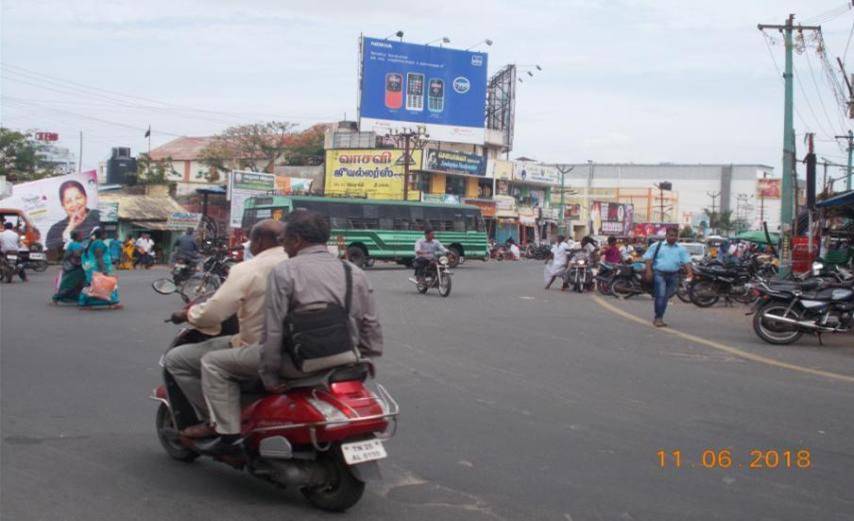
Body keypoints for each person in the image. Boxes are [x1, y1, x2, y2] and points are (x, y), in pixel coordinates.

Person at [194, 210, 382, 451]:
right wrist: (365, 356)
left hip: (298, 361)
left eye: (284, 241)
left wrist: (269, 376)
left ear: (297, 240)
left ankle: (228, 437)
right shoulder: (353, 271)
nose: (283, 247)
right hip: (347, 358)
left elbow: (273, 331)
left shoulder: (285, 272)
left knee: (212, 362)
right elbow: (371, 323)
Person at [164, 219, 288, 438]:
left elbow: (214, 312)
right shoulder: (301, 264)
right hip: (307, 347)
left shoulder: (249, 268)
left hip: (264, 348)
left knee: (181, 359)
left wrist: (187, 314)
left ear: (257, 240)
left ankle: (220, 425)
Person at [643, 227, 692, 327]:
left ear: (677, 237)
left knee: (665, 297)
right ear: (666, 236)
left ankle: (660, 316)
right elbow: (648, 258)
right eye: (670, 235)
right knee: (660, 296)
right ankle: (658, 318)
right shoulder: (657, 246)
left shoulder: (681, 249)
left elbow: (686, 261)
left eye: (675, 235)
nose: (673, 237)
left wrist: (690, 272)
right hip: (659, 274)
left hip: (674, 275)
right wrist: (648, 271)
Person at [46, 180, 101, 252]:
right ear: (63, 205)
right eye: (68, 201)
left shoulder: (99, 216)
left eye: (78, 198)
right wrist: (69, 229)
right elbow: (51, 250)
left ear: (86, 198)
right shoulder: (56, 229)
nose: (75, 204)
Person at [79, 227, 120, 307]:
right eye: (106, 233)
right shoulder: (99, 243)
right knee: (109, 284)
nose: (107, 235)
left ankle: (84, 302)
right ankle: (113, 302)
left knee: (92, 285)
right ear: (102, 234)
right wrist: (103, 269)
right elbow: (99, 256)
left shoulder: (95, 242)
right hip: (98, 267)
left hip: (93, 267)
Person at [52, 231, 86, 303]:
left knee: (78, 285)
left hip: (74, 267)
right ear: (77, 237)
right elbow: (77, 255)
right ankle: (56, 298)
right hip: (75, 267)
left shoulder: (74, 244)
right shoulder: (75, 245)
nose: (82, 237)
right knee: (70, 285)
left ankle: (78, 299)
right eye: (81, 236)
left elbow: (66, 256)